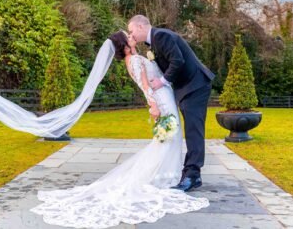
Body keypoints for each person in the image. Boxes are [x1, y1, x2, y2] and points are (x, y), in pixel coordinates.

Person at [29, 31, 209, 228]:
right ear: (124, 45)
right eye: (128, 36)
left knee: (170, 137)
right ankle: (164, 175)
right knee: (169, 137)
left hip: (165, 95)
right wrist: (154, 106)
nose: (132, 37)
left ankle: (171, 173)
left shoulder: (136, 58)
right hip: (161, 99)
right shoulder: (133, 61)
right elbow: (145, 86)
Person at [127, 15, 215, 192]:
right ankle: (190, 172)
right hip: (186, 88)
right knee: (191, 129)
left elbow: (178, 61)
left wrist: (162, 81)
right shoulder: (154, 42)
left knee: (193, 129)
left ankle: (192, 175)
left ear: (140, 26)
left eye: (131, 30)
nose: (131, 34)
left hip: (195, 85)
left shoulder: (161, 36)